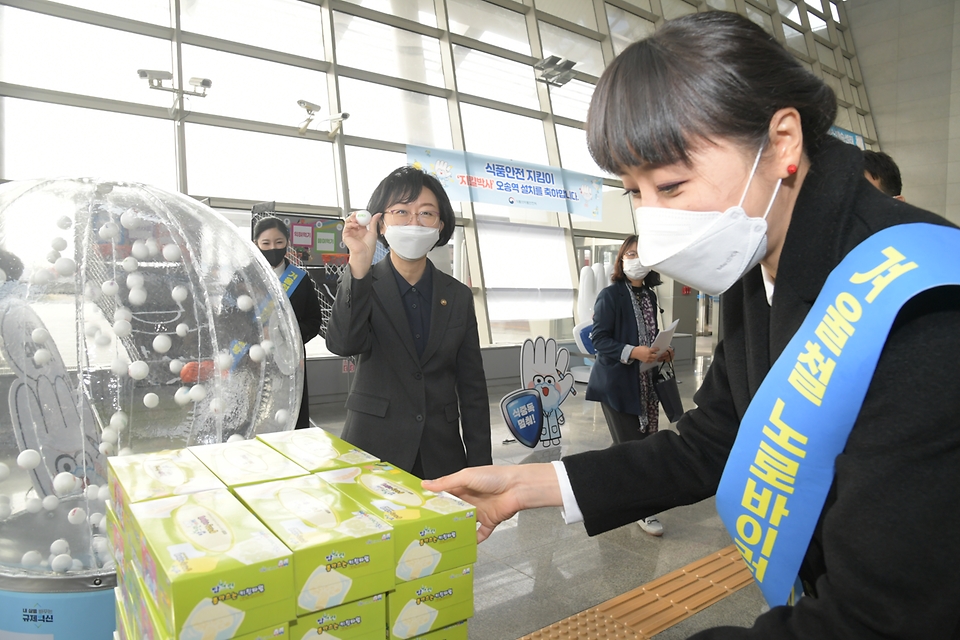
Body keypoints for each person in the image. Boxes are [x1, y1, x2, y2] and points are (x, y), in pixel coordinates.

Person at [424, 12, 960, 638]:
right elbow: (717, 437)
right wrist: (525, 483)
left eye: (672, 185)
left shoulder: (921, 302)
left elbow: (884, 617)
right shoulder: (765, 253)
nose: (652, 227)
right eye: (635, 192)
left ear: (782, 140)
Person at [325, 166, 491, 480]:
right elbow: (343, 344)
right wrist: (359, 261)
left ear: (441, 225)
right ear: (381, 223)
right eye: (401, 211)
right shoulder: (364, 283)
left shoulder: (457, 296)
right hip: (371, 447)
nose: (414, 222)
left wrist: (481, 467)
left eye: (426, 213)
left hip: (440, 452)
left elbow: (472, 387)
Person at [586, 236, 671, 536]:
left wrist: (661, 349)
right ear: (621, 260)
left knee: (633, 444)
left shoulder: (649, 297)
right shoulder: (611, 296)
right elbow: (599, 339)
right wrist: (633, 352)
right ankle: (642, 510)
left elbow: (649, 334)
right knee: (636, 448)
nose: (636, 260)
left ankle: (594, 482)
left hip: (645, 382)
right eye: (630, 254)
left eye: (641, 254)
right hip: (617, 384)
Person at [253, 216, 322, 429]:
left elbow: (314, 320)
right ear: (256, 244)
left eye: (279, 242)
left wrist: (287, 334)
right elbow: (228, 318)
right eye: (266, 243)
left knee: (291, 418)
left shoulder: (300, 280)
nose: (272, 248)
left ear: (287, 243)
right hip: (253, 362)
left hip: (290, 362)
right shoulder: (244, 278)